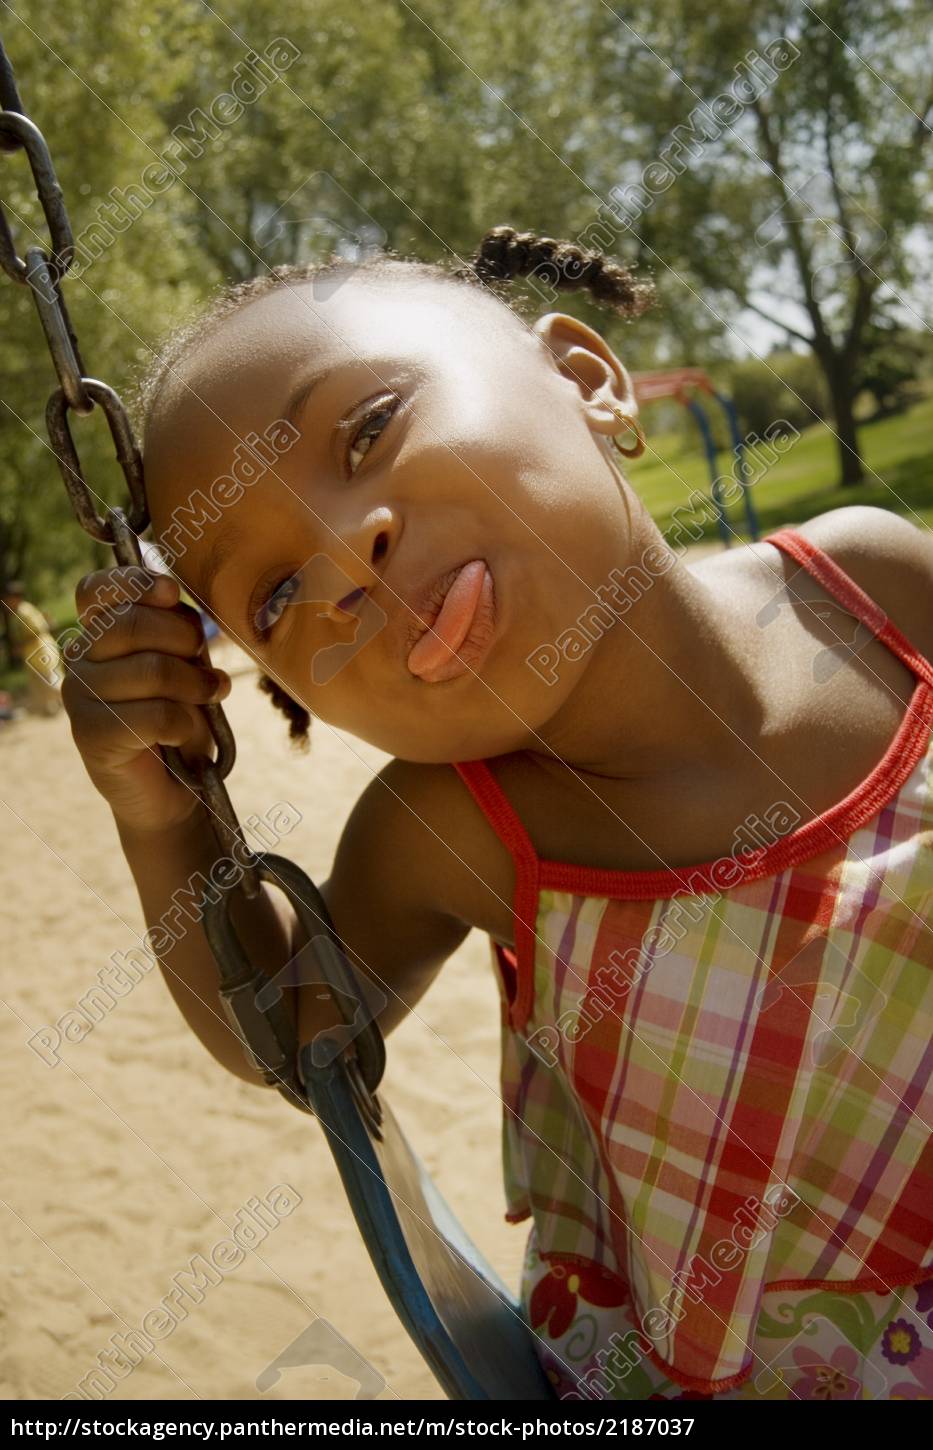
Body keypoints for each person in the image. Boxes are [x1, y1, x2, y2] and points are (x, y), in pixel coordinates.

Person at [62, 228, 932, 1400]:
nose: (343, 558)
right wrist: (159, 817)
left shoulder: (868, 589)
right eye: (272, 596)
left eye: (368, 430)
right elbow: (286, 1037)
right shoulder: (456, 831)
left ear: (584, 378)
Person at [2, 579, 63, 717]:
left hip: (41, 649)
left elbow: (39, 629)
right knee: (41, 683)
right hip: (33, 653)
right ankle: (51, 708)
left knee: (51, 679)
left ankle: (71, 699)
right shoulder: (17, 613)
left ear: (15, 597)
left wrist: (20, 645)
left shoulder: (24, 610)